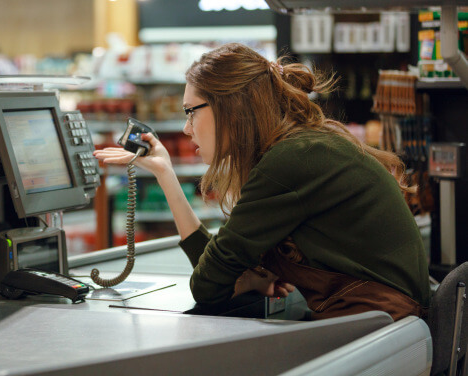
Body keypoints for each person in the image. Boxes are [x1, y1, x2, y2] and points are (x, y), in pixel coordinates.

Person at [94, 43, 430, 321]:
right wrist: (166, 173)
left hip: (381, 323)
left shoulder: (290, 160)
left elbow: (208, 284)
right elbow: (219, 266)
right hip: (386, 323)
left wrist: (241, 278)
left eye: (191, 111)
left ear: (230, 107)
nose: (187, 128)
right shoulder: (301, 146)